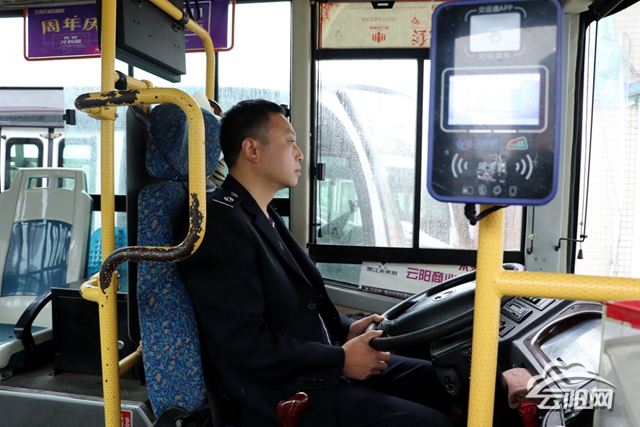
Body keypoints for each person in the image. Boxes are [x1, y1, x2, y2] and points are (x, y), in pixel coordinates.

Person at [178, 99, 453, 427]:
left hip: (316, 366)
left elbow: (293, 311)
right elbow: (245, 342)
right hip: (284, 393)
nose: (300, 154)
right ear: (252, 149)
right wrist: (340, 360)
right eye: (290, 142)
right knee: (434, 423)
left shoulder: (261, 213)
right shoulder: (218, 223)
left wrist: (346, 329)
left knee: (444, 379)